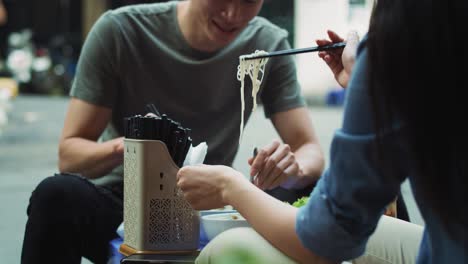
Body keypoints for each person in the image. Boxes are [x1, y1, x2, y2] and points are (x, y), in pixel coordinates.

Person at [21, 0, 325, 263]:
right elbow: (70, 156)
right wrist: (133, 144)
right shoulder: (121, 31)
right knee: (56, 196)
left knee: (316, 190)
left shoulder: (267, 44)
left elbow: (309, 148)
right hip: (126, 201)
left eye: (248, 1)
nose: (233, 14)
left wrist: (292, 169)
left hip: (210, 204)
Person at [177, 0, 468, 263]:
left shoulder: (396, 43)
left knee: (226, 246)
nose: (232, 14)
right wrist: (362, 80)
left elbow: (326, 242)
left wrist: (230, 186)